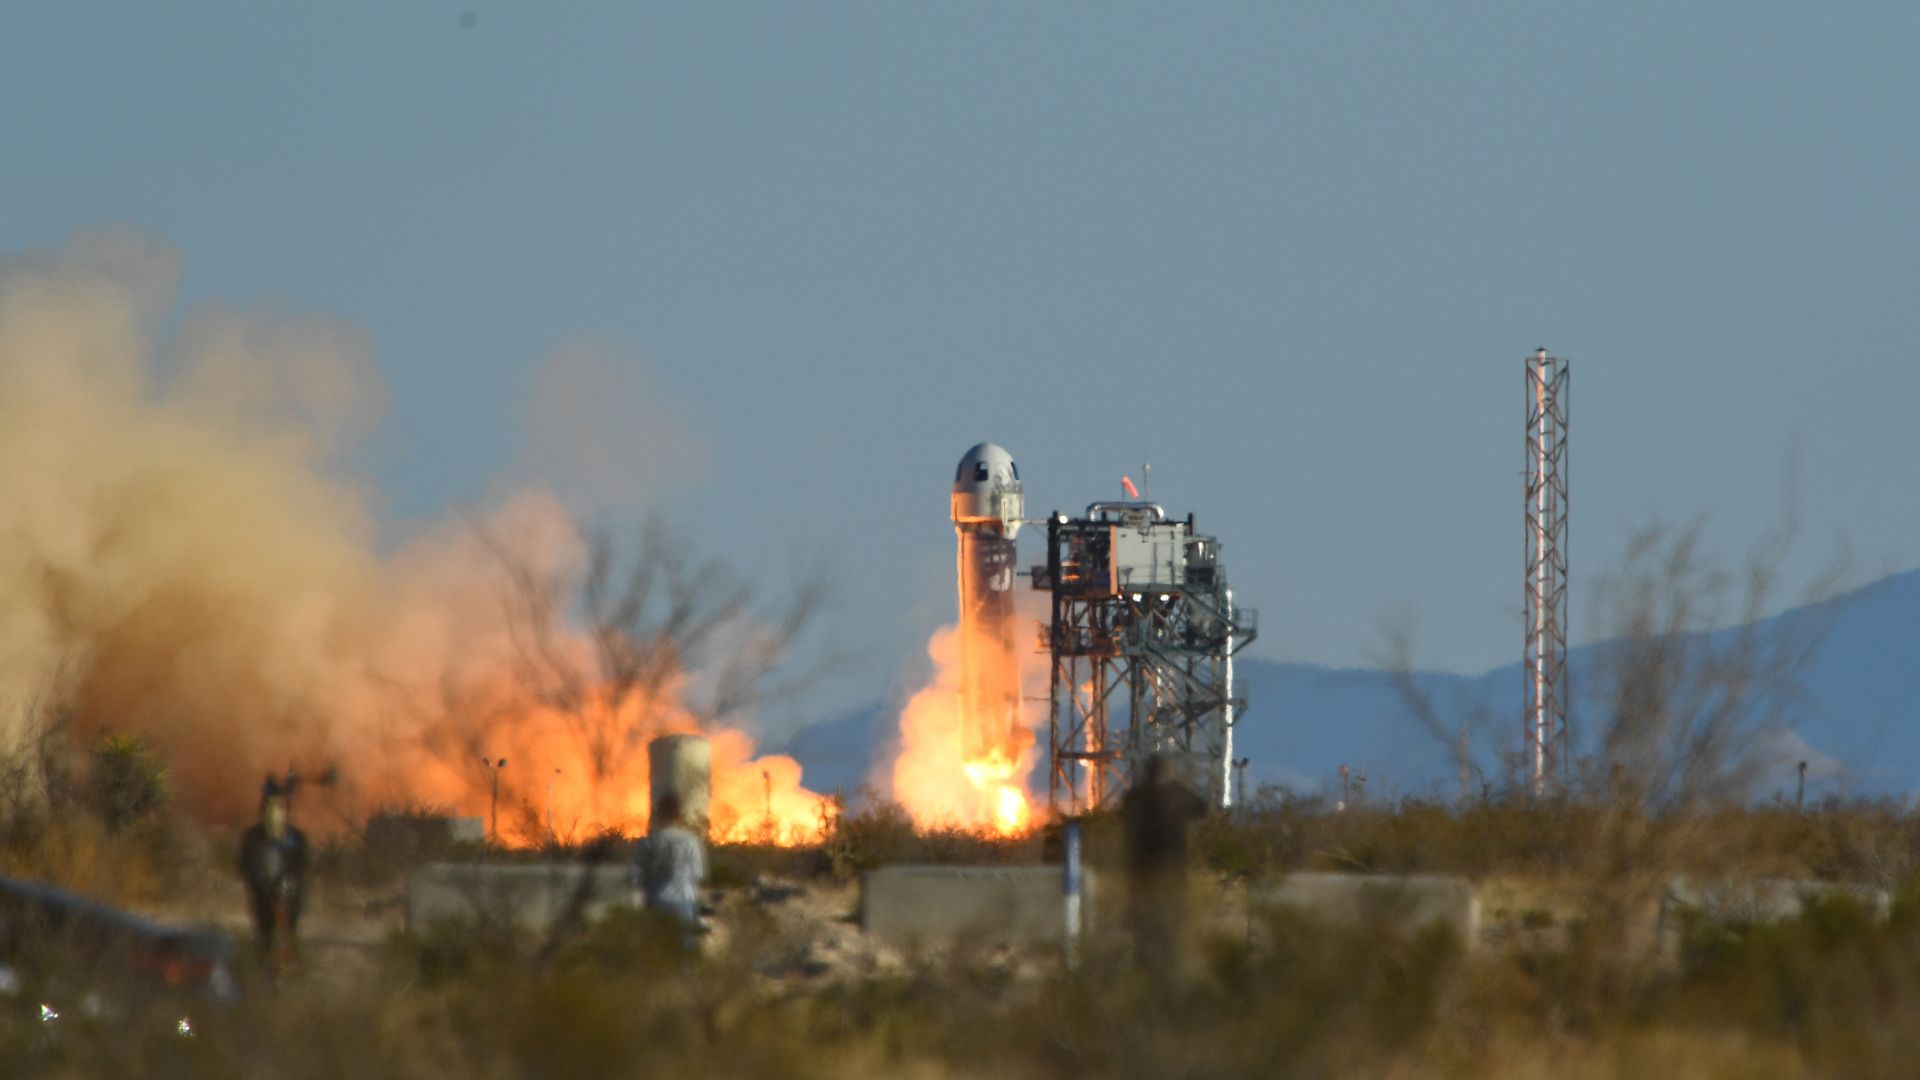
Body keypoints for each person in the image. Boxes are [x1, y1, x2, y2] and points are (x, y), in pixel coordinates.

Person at [1121, 754, 1207, 989]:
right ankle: (1169, 966)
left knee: (1144, 921)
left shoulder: (1134, 797)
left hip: (1141, 870)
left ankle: (1144, 965)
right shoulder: (1176, 795)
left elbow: (1124, 816)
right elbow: (1202, 809)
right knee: (1171, 919)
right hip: (1172, 869)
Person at [238, 775, 309, 971]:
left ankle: (290, 967)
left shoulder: (295, 837)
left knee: (288, 933)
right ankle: (265, 969)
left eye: (279, 807)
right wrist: (260, 887)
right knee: (265, 933)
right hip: (262, 892)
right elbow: (246, 866)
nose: (274, 812)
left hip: (288, 893)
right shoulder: (253, 838)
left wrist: (286, 891)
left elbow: (300, 867)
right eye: (269, 806)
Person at [640, 792, 707, 933]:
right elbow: (698, 873)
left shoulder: (649, 842)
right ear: (678, 815)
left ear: (658, 815)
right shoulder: (690, 841)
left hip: (656, 903)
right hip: (684, 903)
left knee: (657, 950)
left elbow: (637, 876)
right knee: (684, 951)